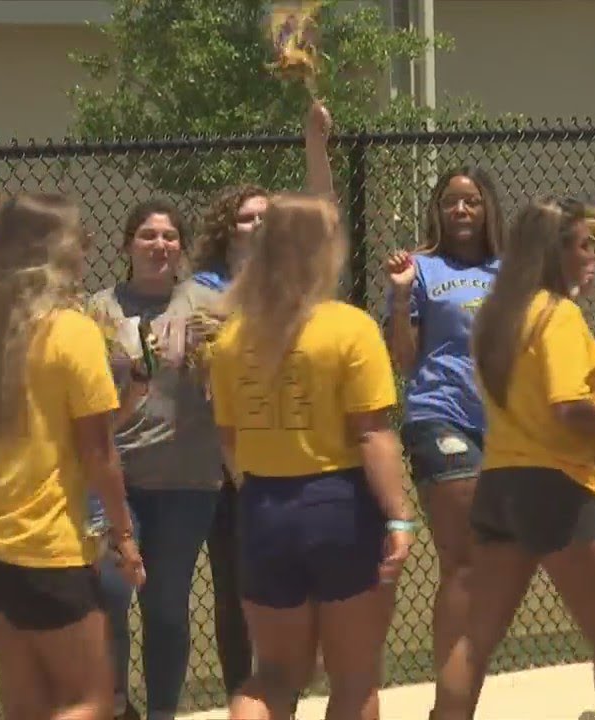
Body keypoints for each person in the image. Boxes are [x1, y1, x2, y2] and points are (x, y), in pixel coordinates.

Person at [432, 197, 595, 720]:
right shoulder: (558, 315)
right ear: (556, 254)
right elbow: (569, 406)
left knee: (476, 641)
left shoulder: (497, 319)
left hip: (499, 485)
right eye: (584, 246)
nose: (594, 256)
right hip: (552, 487)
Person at [0, 192, 145, 720]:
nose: (88, 248)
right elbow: (99, 452)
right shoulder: (70, 332)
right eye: (79, 238)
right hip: (49, 551)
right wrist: (123, 535)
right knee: (91, 701)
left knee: (25, 707)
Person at [208, 192, 417, 720]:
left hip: (262, 507)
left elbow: (228, 437)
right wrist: (398, 514)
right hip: (339, 504)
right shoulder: (350, 328)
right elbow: (372, 433)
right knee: (354, 677)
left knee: (273, 676)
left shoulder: (233, 335)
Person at [185, 101, 334, 711]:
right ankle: (241, 696)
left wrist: (315, 145)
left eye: (267, 218)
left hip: (298, 459)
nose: (258, 225)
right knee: (236, 597)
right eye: (246, 219)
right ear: (227, 230)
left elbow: (323, 216)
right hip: (231, 470)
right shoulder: (204, 291)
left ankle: (285, 699)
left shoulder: (295, 282)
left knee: (300, 598)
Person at [84, 199, 224, 720]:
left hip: (186, 479)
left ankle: (164, 710)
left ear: (182, 248)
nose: (159, 245)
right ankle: (118, 704)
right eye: (147, 235)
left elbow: (243, 359)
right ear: (126, 245)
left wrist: (213, 351)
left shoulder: (206, 303)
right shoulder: (99, 310)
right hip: (115, 475)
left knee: (165, 604)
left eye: (169, 236)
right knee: (114, 591)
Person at [381, 167, 505, 687]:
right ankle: (453, 691)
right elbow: (404, 360)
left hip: (500, 426)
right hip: (438, 415)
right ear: (438, 209)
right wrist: (403, 295)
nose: (461, 210)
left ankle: (463, 681)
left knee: (492, 564)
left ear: (487, 209)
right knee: (464, 559)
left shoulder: (510, 269)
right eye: (451, 201)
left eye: (471, 201)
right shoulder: (421, 268)